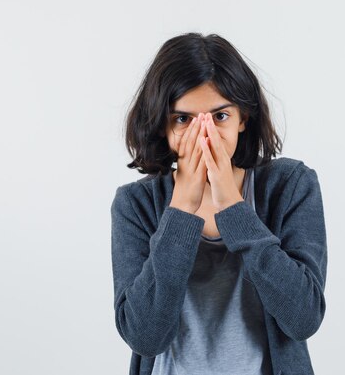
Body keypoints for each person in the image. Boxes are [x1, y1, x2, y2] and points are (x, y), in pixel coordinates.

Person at [110, 32, 328, 375]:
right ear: (163, 126)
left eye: (220, 116)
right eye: (184, 119)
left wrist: (233, 205)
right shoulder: (135, 204)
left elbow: (303, 318)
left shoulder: (290, 185)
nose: (204, 134)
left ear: (243, 117)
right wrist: (181, 211)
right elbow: (144, 336)